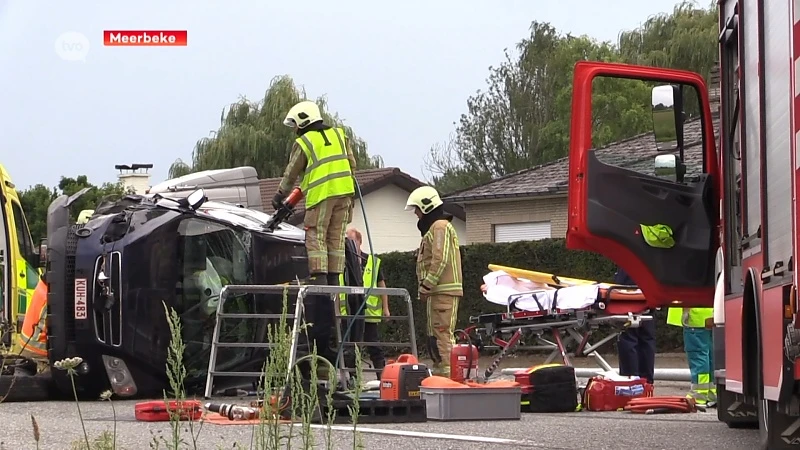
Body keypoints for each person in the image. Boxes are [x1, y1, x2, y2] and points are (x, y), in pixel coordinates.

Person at [273, 100, 357, 365]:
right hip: (345, 194)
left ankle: (321, 278)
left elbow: (292, 172)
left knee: (315, 235)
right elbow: (351, 164)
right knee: (336, 239)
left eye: (295, 124)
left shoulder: (305, 142)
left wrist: (280, 195)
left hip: (321, 196)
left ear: (301, 121)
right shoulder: (339, 135)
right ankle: (334, 277)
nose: (295, 129)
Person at [405, 186, 462, 376]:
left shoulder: (440, 227)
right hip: (436, 293)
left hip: (442, 291)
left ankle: (449, 376)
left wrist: (426, 285)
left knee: (442, 334)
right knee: (435, 336)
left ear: (426, 206)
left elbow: (440, 259)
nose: (416, 214)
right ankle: (441, 373)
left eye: (417, 209)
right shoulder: (434, 228)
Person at [338, 227, 390, 379]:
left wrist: (386, 308)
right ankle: (354, 380)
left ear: (360, 242)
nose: (349, 245)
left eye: (352, 241)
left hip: (369, 313)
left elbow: (382, 285)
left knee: (374, 346)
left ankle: (383, 378)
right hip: (348, 313)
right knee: (350, 349)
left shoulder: (373, 262)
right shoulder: (341, 263)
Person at [667, 305, 716, 406]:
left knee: (699, 358)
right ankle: (712, 393)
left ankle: (699, 395)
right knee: (711, 357)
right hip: (712, 317)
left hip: (695, 319)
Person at [614, 266, 656, 384]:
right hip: (649, 287)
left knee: (628, 337)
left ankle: (631, 383)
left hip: (629, 290)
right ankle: (646, 384)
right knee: (646, 338)